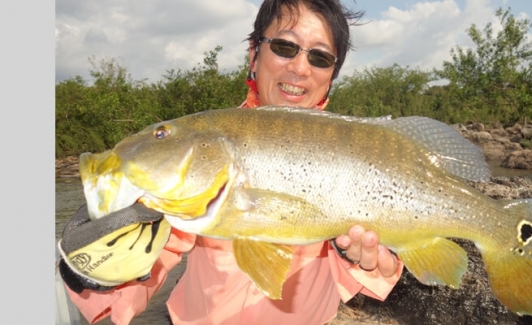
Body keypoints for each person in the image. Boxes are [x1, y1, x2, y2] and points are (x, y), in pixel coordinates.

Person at [62, 1, 404, 324]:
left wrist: (358, 258)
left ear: (332, 74)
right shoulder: (205, 151)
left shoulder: (358, 153)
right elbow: (156, 256)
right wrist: (99, 274)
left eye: (320, 57)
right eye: (285, 46)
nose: (300, 67)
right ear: (254, 53)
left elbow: (373, 267)